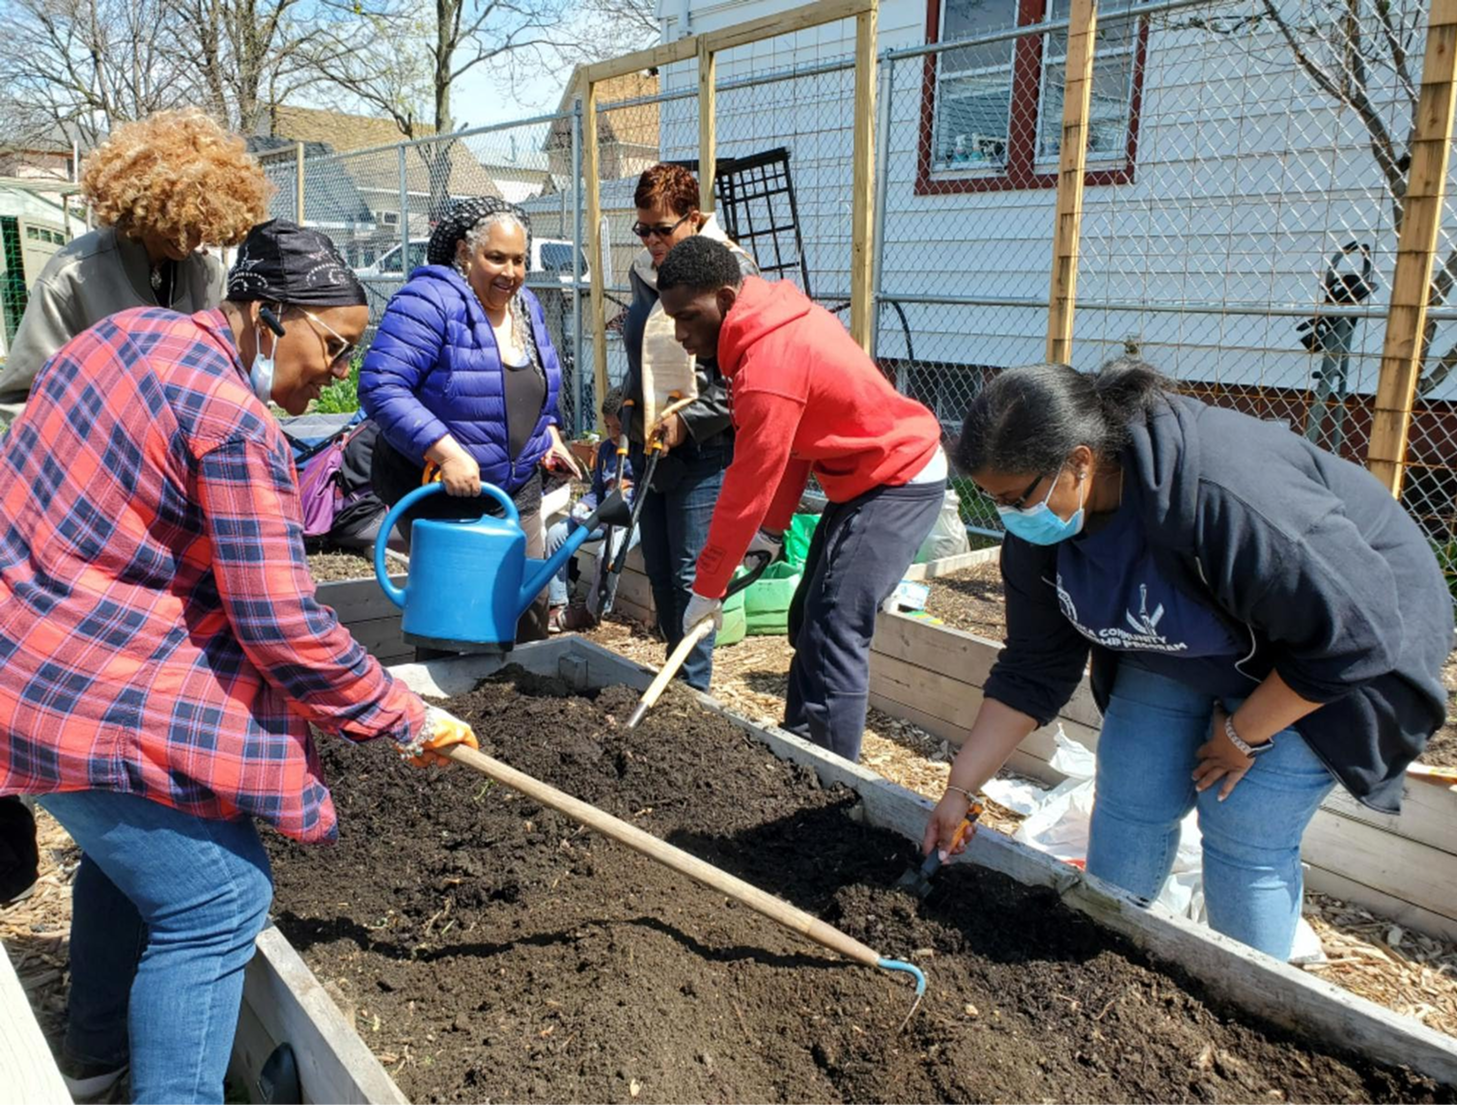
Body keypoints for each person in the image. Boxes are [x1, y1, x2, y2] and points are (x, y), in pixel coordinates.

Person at [0, 219, 479, 1104]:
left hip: (26, 654)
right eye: (331, 346)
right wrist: (403, 713)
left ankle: (97, 1062)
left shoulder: (126, 334)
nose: (339, 372)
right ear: (264, 314)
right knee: (218, 899)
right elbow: (284, 626)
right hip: (80, 683)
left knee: (132, 857)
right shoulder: (233, 422)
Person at [922, 359, 1449, 960]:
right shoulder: (1045, 532)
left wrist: (1243, 733)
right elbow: (1030, 668)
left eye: (1016, 498)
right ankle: (1102, 951)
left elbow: (1357, 632)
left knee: (1242, 823)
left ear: (1080, 461)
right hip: (1203, 633)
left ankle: (1250, 1001)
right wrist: (961, 788)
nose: (1009, 518)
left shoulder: (1218, 494)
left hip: (1336, 642)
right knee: (1132, 786)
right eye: (994, 501)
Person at [658, 236, 948, 762]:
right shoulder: (766, 327)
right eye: (671, 319)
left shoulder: (768, 364)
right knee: (806, 617)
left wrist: (708, 585)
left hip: (899, 476)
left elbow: (746, 484)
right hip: (861, 477)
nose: (680, 334)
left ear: (725, 300)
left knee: (837, 621)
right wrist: (770, 532)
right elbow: (791, 448)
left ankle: (832, 779)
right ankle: (796, 751)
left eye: (688, 317)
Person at [361, 196, 582, 643]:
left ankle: (520, 708)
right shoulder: (431, 299)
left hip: (515, 491)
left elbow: (537, 386)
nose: (511, 273)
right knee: (457, 622)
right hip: (442, 492)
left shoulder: (526, 307)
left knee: (526, 614)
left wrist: (550, 435)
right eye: (496, 258)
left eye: (519, 260)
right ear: (464, 251)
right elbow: (381, 385)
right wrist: (447, 453)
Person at [0, 108, 269, 407]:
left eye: (201, 227)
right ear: (145, 203)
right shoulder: (72, 276)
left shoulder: (209, 278)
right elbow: (24, 398)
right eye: (177, 222)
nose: (188, 240)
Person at [620, 164, 758, 690]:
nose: (653, 241)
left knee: (690, 576)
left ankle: (692, 693)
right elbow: (643, 358)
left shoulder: (729, 274)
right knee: (657, 571)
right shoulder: (645, 272)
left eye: (664, 228)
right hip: (649, 444)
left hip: (703, 451)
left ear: (695, 218)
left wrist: (687, 424)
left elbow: (739, 380)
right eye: (644, 230)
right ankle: (671, 681)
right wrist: (624, 404)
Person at [546, 386, 638, 631]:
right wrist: (584, 505)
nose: (613, 433)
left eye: (618, 428)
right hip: (603, 515)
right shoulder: (607, 450)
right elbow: (597, 490)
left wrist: (619, 511)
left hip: (632, 521)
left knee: (604, 555)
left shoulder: (640, 452)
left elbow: (642, 497)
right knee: (556, 534)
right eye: (608, 427)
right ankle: (557, 602)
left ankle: (593, 610)